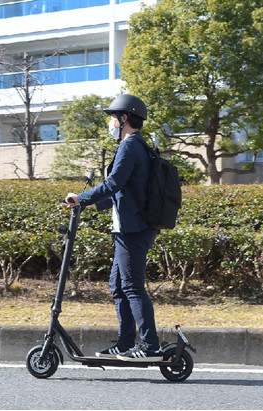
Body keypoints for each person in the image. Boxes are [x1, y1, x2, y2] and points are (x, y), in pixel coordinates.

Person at [65, 94, 163, 362]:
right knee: (118, 285)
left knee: (131, 286)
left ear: (124, 118)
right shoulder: (138, 146)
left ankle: (151, 346)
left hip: (134, 230)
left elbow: (114, 183)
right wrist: (88, 204)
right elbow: (125, 190)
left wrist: (81, 198)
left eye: (112, 118)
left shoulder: (130, 145)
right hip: (130, 228)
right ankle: (125, 342)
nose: (110, 123)